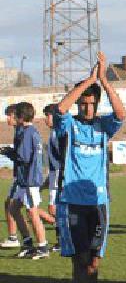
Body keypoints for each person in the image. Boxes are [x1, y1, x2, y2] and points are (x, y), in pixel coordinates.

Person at [52, 51, 124, 283]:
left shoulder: (103, 127)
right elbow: (59, 109)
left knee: (94, 259)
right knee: (80, 259)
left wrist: (103, 81)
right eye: (83, 104)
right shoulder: (69, 126)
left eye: (91, 105)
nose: (86, 108)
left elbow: (121, 113)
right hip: (72, 202)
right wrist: (86, 82)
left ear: (96, 106)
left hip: (98, 203)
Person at [1, 102, 50, 259]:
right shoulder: (30, 131)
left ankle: (43, 247)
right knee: (14, 208)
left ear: (20, 117)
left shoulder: (28, 132)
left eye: (14, 115)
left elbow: (23, 157)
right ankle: (28, 243)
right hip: (25, 180)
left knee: (32, 212)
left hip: (29, 180)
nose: (12, 117)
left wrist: (8, 152)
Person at [1, 103, 24, 249]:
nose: (7, 119)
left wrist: (9, 152)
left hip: (23, 176)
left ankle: (57, 223)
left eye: (9, 116)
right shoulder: (18, 130)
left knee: (29, 209)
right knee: (10, 204)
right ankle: (13, 237)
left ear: (16, 116)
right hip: (20, 174)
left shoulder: (23, 131)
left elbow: (22, 156)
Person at [44, 103, 63, 252]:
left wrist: (55, 179)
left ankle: (62, 241)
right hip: (53, 175)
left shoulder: (58, 134)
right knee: (55, 210)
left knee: (54, 209)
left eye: (47, 115)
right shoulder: (53, 133)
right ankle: (61, 241)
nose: (45, 119)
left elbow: (60, 160)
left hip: (58, 175)